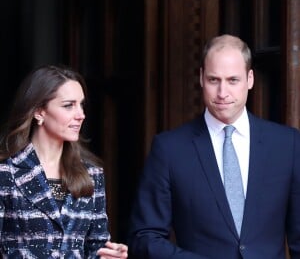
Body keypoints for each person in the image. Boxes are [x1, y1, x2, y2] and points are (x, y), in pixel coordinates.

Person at [128, 34, 300, 258]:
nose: (222, 93)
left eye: (232, 80)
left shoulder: (287, 144)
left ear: (250, 79)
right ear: (201, 78)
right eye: (213, 80)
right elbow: (144, 236)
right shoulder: (169, 149)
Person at [0, 65, 128, 259]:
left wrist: (109, 255)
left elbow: (96, 246)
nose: (81, 114)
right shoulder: (6, 173)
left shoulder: (92, 174)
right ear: (39, 112)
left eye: (81, 105)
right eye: (68, 105)